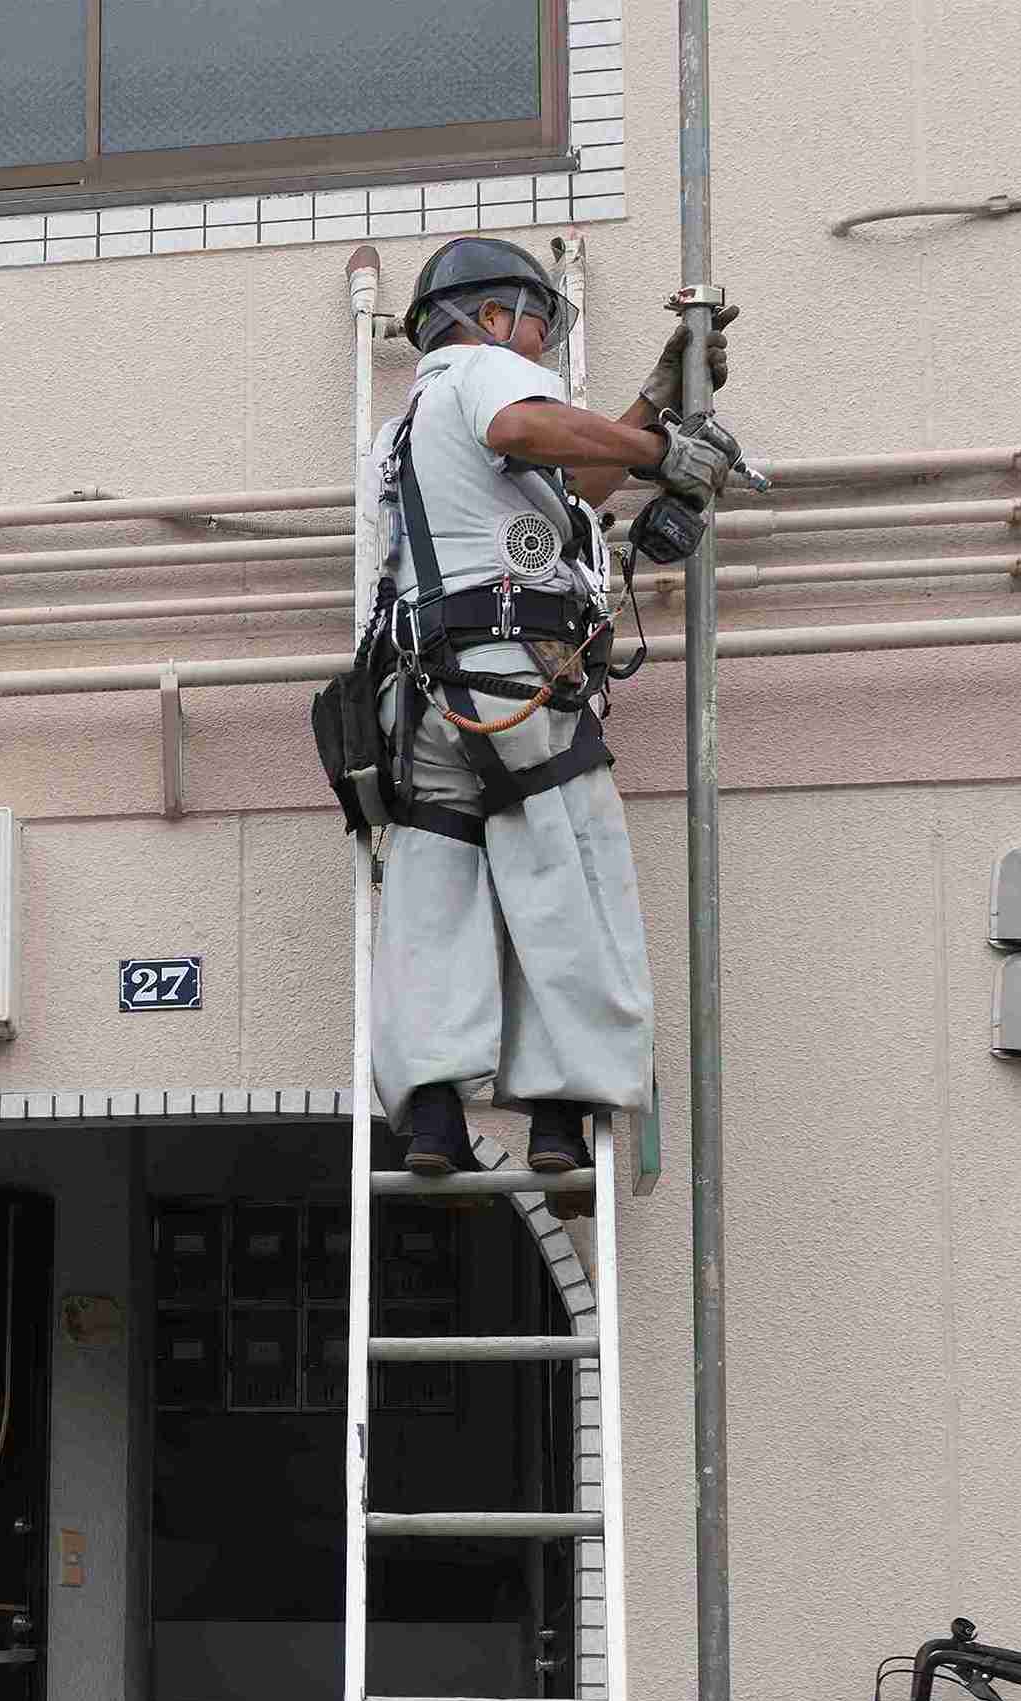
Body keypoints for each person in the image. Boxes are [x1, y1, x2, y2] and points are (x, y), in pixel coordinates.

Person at [369, 235, 741, 1178]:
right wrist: (667, 451)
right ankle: (557, 1118)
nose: (539, 346)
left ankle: (436, 1121)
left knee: (433, 894)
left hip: (426, 701)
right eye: (537, 323)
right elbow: (527, 432)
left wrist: (653, 408)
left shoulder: (403, 427)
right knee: (565, 872)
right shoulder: (488, 374)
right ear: (491, 315)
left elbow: (569, 479)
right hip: (515, 680)